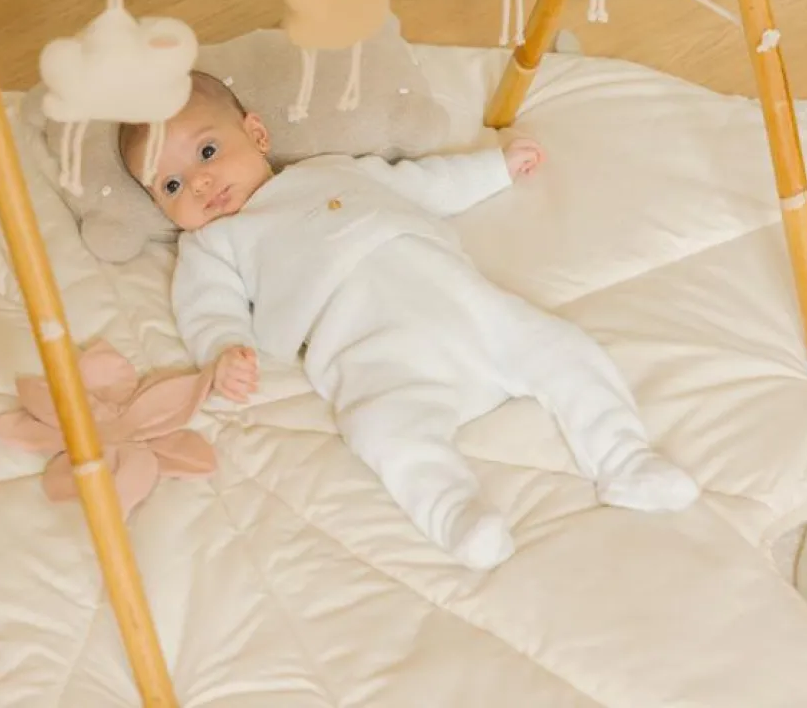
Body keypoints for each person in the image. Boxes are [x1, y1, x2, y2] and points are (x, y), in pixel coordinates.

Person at [119, 71, 699, 569]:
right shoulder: (214, 243)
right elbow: (205, 307)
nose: (199, 182)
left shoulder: (330, 172)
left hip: (466, 307)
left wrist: (494, 169)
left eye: (207, 152)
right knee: (382, 429)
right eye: (170, 185)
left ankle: (624, 458)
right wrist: (224, 351)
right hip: (371, 350)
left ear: (257, 134)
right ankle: (455, 513)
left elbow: (424, 185)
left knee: (564, 351)